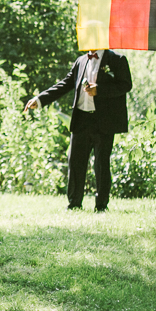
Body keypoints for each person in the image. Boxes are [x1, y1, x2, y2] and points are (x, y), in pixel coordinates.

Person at [25, 48, 132, 211]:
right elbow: (65, 84)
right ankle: (74, 204)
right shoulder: (81, 61)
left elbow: (126, 85)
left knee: (102, 163)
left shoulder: (117, 59)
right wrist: (40, 99)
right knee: (75, 161)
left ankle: (101, 205)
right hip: (82, 119)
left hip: (104, 120)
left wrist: (99, 90)